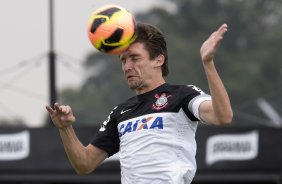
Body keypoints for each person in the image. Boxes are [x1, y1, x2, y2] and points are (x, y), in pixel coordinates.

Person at [46, 22, 233, 184]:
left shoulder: (182, 95)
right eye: (123, 60)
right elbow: (84, 164)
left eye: (135, 58)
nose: (127, 67)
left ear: (158, 59)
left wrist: (208, 63)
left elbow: (222, 116)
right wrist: (65, 129)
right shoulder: (121, 112)